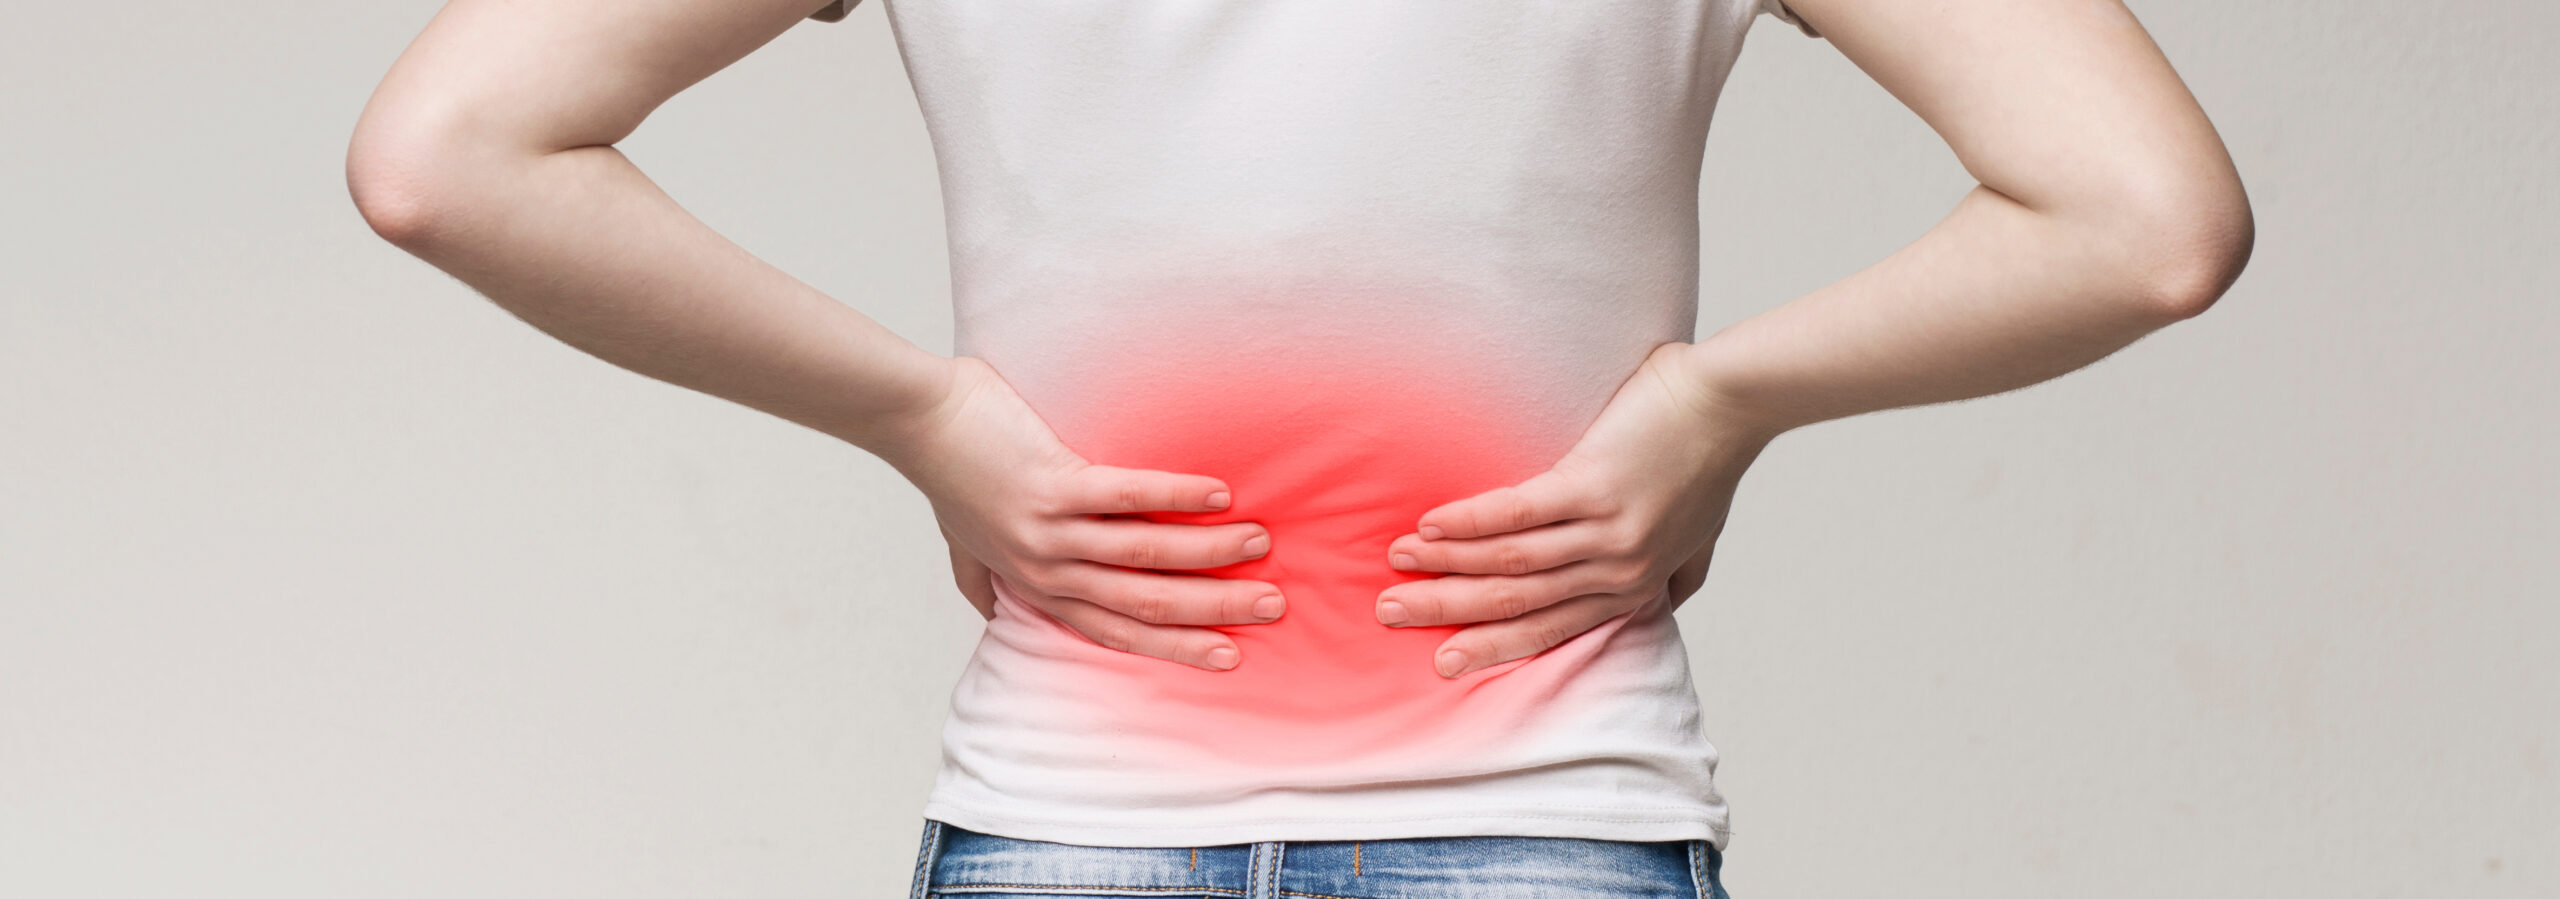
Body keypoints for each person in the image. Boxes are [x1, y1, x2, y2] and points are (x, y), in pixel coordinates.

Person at [346, 0, 2252, 894]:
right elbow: (2146, 222)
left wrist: (917, 414)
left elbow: (447, 159)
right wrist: (1719, 399)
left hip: (1074, 820)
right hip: (1545, 813)